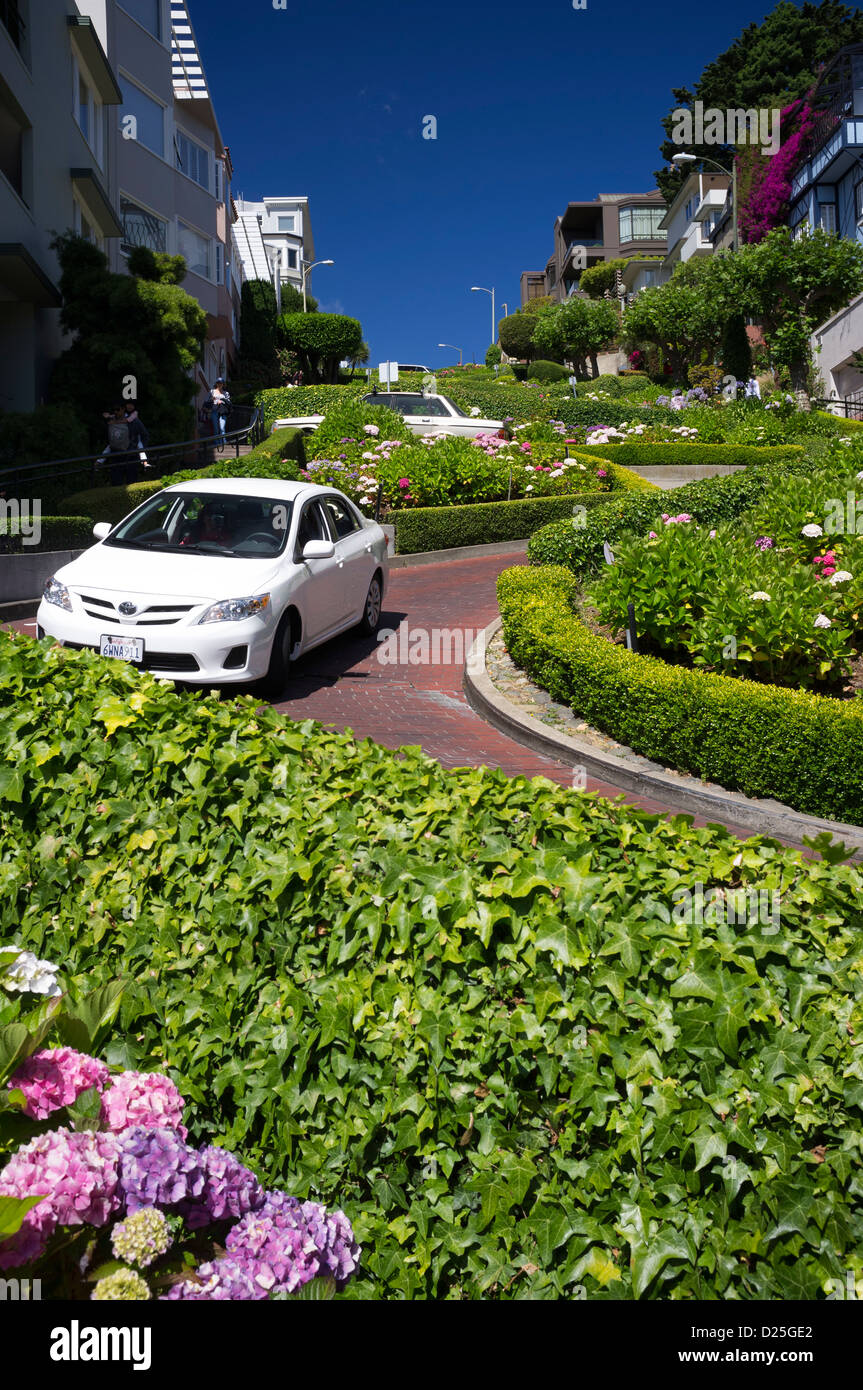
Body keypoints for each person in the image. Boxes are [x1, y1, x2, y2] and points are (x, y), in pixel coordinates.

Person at [206, 378, 231, 451]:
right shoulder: (212, 392)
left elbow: (229, 402)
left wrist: (222, 401)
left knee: (222, 428)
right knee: (216, 429)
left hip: (223, 412)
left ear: (223, 384)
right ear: (216, 384)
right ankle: (217, 444)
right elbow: (206, 400)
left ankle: (224, 443)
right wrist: (212, 399)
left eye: (221, 383)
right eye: (218, 383)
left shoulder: (226, 393)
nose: (220, 384)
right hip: (215, 411)